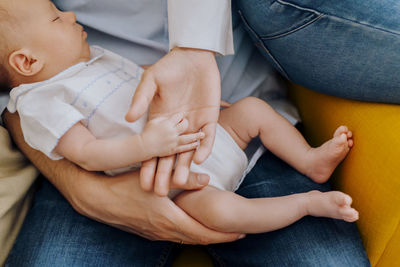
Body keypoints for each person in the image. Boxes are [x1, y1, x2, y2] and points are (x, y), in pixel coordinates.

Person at [2, 0, 370, 266]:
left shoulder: (94, 56)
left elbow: (136, 74)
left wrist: (199, 90)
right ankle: (304, 203)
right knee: (222, 211)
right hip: (163, 182)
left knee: (254, 112)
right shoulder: (42, 101)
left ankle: (310, 160)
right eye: (55, 17)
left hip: (214, 118)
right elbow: (86, 153)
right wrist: (92, 184)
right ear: (27, 61)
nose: (70, 14)